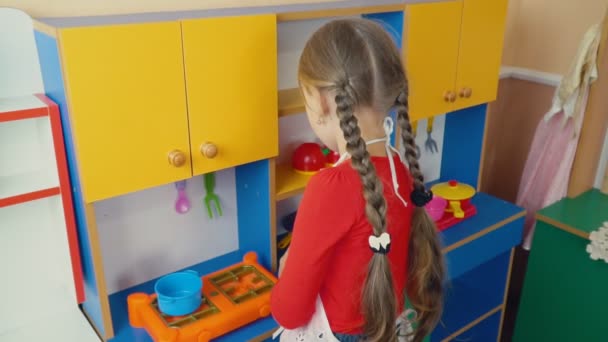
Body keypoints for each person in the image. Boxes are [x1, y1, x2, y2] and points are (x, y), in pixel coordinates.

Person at [270, 18, 446, 342]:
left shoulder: (330, 187)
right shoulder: (399, 170)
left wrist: (287, 269)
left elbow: (289, 313)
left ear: (321, 100)